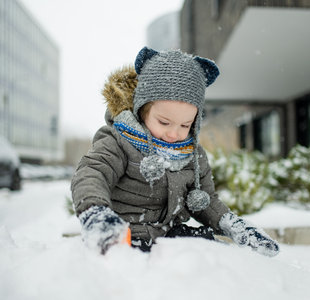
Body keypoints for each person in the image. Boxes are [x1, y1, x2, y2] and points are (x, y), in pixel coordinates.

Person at [71, 46, 279, 256]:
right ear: (141, 111)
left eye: (185, 125)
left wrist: (232, 225)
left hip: (170, 237)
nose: (173, 134)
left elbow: (207, 200)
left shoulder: (193, 155)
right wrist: (96, 213)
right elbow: (92, 173)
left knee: (216, 252)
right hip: (124, 237)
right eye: (164, 122)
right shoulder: (118, 141)